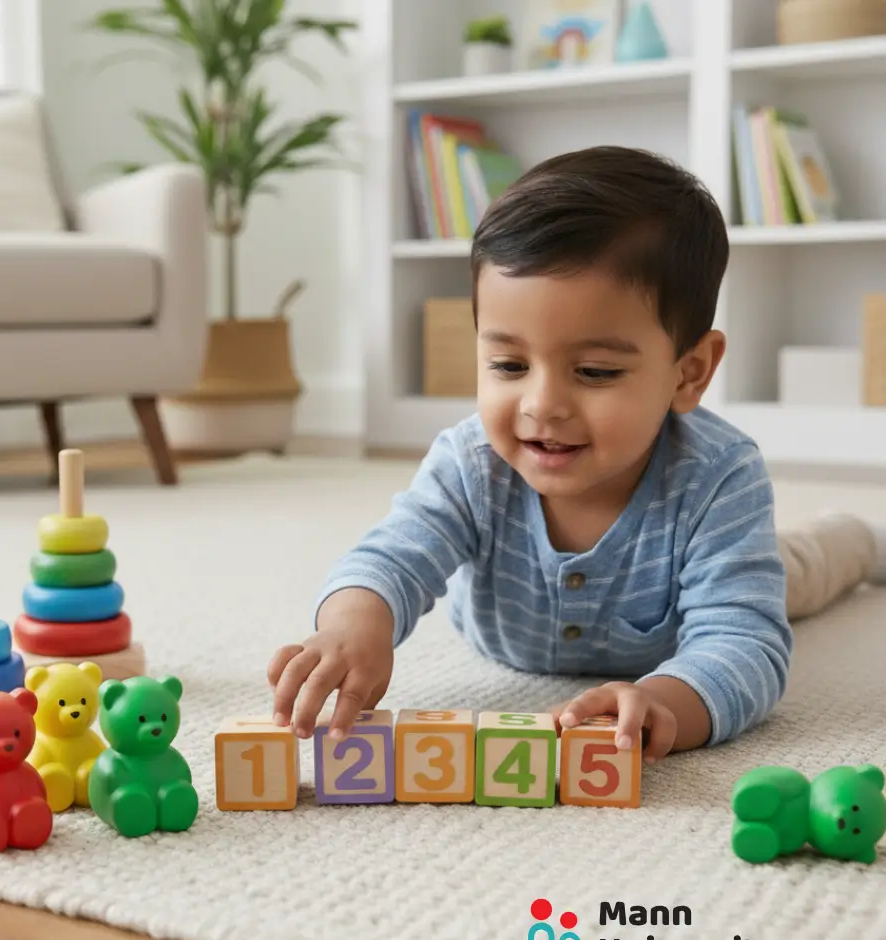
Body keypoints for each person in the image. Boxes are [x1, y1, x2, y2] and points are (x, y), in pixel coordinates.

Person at [266, 145, 886, 763]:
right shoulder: (471, 463)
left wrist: (665, 701)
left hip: (727, 568)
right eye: (508, 364)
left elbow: (742, 642)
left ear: (689, 372)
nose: (543, 404)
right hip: (517, 632)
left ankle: (857, 539)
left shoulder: (719, 478)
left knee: (798, 570)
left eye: (594, 371)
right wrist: (353, 626)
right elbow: (391, 557)